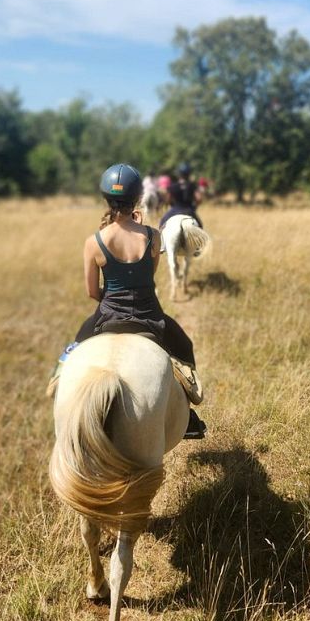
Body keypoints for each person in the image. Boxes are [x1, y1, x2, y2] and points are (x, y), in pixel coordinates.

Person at [65, 162, 206, 439]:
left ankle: (58, 384)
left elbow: (92, 292)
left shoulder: (94, 242)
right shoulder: (153, 236)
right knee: (184, 347)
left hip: (107, 317)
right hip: (148, 316)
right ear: (138, 198)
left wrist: (113, 299)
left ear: (105, 198)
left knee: (70, 354)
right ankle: (188, 415)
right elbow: (148, 279)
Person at [159, 162, 203, 230]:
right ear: (189, 174)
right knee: (200, 227)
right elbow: (199, 199)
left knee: (162, 223)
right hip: (189, 210)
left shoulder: (173, 186)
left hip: (175, 210)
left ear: (179, 174)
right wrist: (194, 207)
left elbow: (168, 199)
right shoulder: (192, 185)